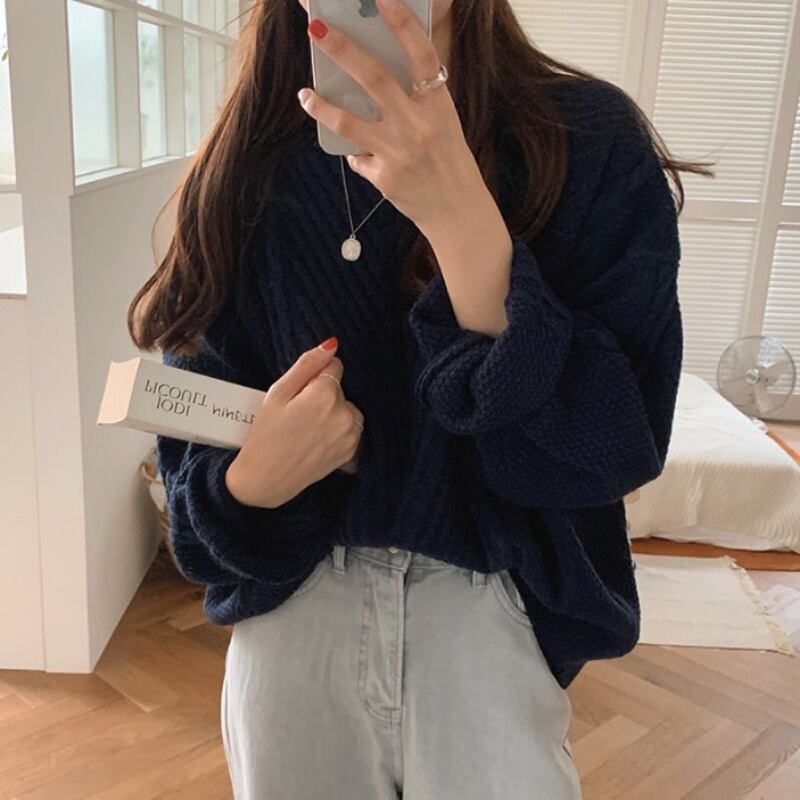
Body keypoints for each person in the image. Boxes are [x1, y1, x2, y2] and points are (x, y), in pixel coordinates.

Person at [128, 1, 713, 797]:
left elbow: (616, 448)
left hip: (493, 618)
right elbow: (192, 487)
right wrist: (251, 483)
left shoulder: (587, 141)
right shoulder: (247, 165)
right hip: (292, 619)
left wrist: (462, 221)